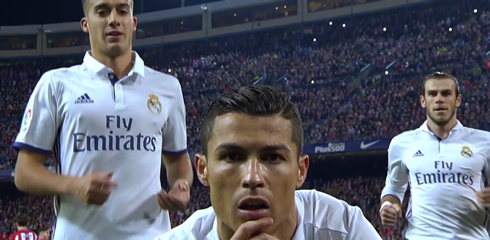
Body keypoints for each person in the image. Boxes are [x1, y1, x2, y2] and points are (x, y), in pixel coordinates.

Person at [12, 0, 193, 239]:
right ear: (86, 24)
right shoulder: (56, 84)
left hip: (153, 235)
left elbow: (177, 160)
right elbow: (24, 173)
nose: (113, 19)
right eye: (102, 11)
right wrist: (73, 186)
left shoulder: (167, 87)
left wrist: (182, 185)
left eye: (122, 10)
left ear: (133, 22)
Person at [156, 85, 381, 239]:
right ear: (203, 170)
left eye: (272, 157)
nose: (253, 178)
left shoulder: (343, 229)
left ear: (300, 171)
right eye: (232, 156)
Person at [380, 71, 490, 239]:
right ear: (423, 101)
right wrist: (389, 205)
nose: (439, 99)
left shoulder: (484, 141)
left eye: (446, 93)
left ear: (457, 100)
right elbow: (394, 188)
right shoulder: (402, 143)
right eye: (432, 94)